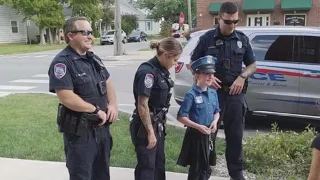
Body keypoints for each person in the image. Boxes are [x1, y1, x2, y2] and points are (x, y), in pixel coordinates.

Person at [190, 2, 257, 180]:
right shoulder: (207, 39)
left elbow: (252, 64)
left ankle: (236, 174)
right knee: (206, 137)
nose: (232, 25)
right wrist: (206, 79)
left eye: (236, 21)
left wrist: (242, 77)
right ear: (219, 18)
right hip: (212, 96)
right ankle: (202, 174)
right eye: (228, 22)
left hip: (235, 96)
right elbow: (193, 64)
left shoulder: (242, 39)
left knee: (235, 139)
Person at [48, 16, 118, 180]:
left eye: (91, 32)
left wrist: (113, 105)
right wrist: (95, 110)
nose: (90, 36)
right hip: (81, 135)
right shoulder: (62, 63)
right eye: (85, 32)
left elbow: (107, 81)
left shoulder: (94, 59)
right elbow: (66, 97)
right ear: (71, 35)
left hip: (102, 131)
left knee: (102, 175)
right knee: (82, 176)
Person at [129, 37, 183, 180]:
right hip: (145, 127)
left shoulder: (161, 70)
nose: (175, 64)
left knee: (159, 166)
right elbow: (142, 105)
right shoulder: (147, 72)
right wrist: (150, 132)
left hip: (157, 125)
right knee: (147, 168)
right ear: (166, 55)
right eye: (175, 60)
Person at [176, 55, 221, 180]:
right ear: (197, 75)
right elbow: (181, 117)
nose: (210, 77)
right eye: (206, 73)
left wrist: (215, 122)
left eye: (212, 74)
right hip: (196, 135)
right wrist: (198, 126)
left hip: (208, 134)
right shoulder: (191, 95)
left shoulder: (213, 93)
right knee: (196, 168)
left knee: (206, 167)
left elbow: (217, 111)